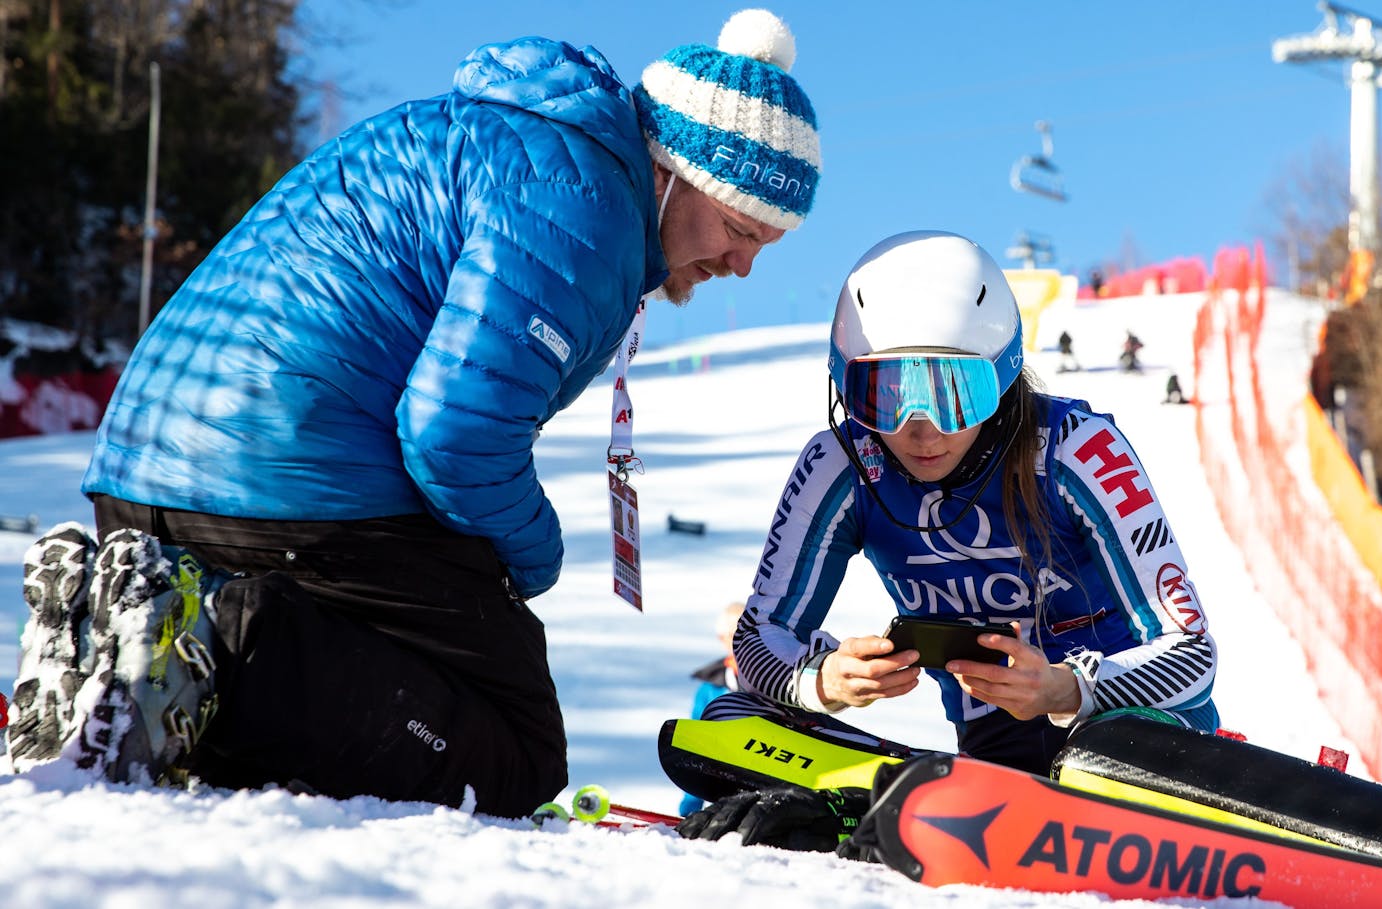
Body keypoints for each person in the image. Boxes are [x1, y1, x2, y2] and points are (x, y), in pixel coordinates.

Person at [5, 9, 821, 819]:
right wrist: (534, 556)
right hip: (279, 475)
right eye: (738, 227)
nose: (742, 263)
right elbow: (458, 435)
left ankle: (125, 645)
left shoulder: (522, 144)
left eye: (768, 243)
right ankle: (211, 648)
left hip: (152, 469)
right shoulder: (587, 201)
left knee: (400, 665)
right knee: (516, 746)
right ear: (672, 169)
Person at [684, 231, 1218, 818]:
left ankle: (927, 810)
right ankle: (892, 809)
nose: (923, 430)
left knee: (1097, 761)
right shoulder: (841, 463)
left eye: (955, 393)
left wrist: (1067, 688)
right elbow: (760, 636)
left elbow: (1193, 653)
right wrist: (824, 679)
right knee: (732, 718)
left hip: (1127, 736)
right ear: (845, 385)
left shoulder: (1073, 449)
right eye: (885, 395)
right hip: (998, 760)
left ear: (1004, 379)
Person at [678, 601, 745, 815]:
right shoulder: (710, 689)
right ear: (723, 638)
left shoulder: (769, 682)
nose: (740, 640)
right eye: (734, 634)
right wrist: (690, 808)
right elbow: (696, 744)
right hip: (722, 777)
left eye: (747, 633)